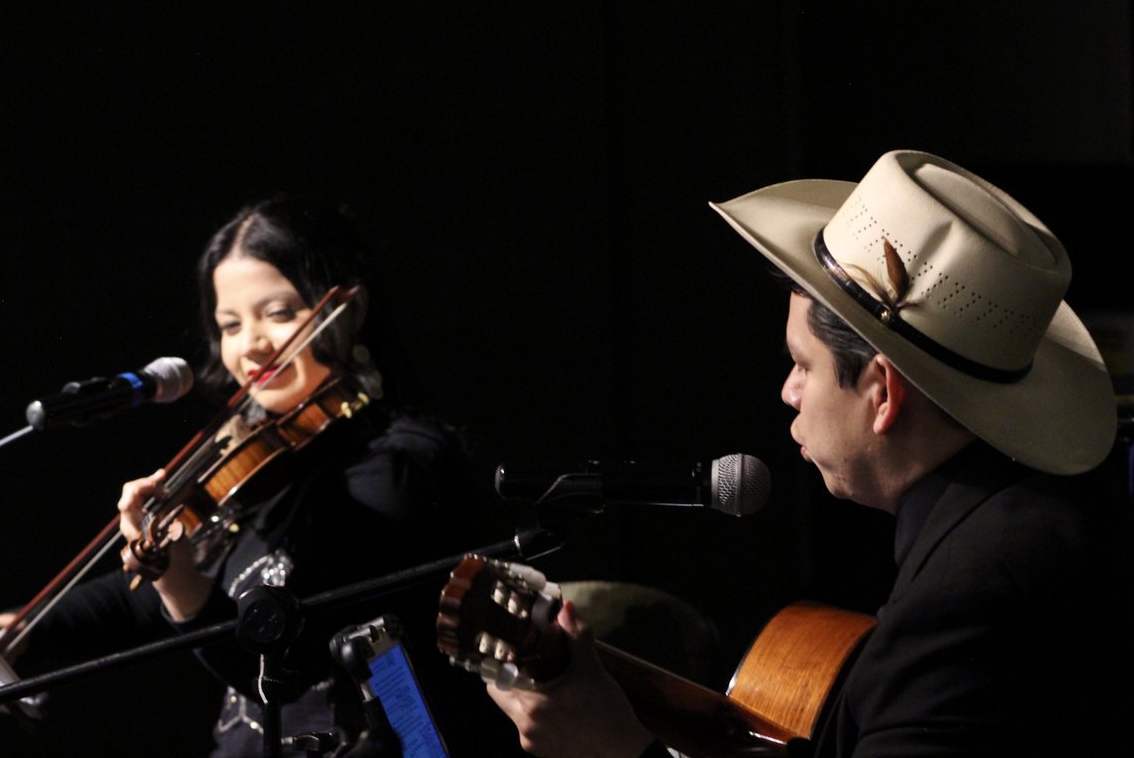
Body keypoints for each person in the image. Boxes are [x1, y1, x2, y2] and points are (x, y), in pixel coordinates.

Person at [484, 150, 1134, 756]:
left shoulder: (961, 608)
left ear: (881, 392)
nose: (787, 391)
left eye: (802, 364)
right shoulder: (1050, 514)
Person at [0, 195, 506, 756]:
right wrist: (19, 631)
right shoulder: (261, 467)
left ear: (348, 311)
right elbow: (133, 600)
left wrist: (176, 579)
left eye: (278, 313)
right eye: (229, 324)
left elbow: (290, 666)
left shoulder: (400, 467)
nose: (250, 346)